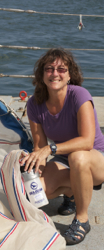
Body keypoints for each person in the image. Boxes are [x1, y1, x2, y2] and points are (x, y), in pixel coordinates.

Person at [20, 48, 104, 245]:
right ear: (41, 75)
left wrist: (50, 149)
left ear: (69, 75)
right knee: (35, 195)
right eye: (49, 69)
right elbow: (39, 147)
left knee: (78, 157)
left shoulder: (79, 95)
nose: (55, 73)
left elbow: (86, 141)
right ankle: (72, 193)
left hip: (93, 158)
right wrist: (35, 173)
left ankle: (82, 219)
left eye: (61, 69)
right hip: (64, 160)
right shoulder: (34, 104)